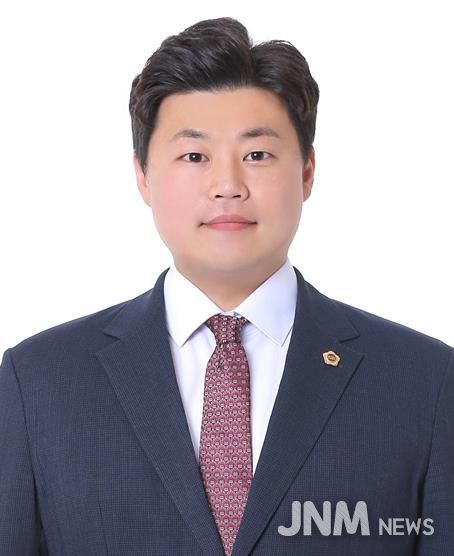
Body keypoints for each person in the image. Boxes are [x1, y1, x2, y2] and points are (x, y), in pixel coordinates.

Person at [0, 16, 452, 556]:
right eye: (194, 156)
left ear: (307, 171)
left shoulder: (425, 382)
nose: (227, 185)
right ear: (143, 176)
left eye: (257, 155)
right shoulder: (39, 382)